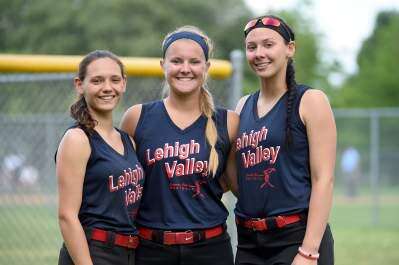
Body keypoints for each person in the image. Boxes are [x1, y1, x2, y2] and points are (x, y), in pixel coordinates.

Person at [120, 25, 239, 265]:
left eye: (194, 62)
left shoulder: (228, 122)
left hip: (210, 250)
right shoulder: (136, 118)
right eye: (176, 61)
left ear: (206, 67)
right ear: (163, 65)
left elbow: (235, 184)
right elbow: (126, 187)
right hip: (151, 249)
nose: (185, 69)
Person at [230, 15, 336, 265]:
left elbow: (324, 180)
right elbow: (239, 180)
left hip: (295, 239)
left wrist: (309, 251)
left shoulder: (311, 100)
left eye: (268, 44)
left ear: (290, 49)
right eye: (251, 47)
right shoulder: (243, 105)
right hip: (249, 241)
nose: (259, 53)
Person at [56, 50, 145, 265]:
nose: (107, 87)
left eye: (115, 80)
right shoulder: (77, 139)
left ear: (123, 83)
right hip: (93, 251)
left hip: (127, 252)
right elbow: (67, 216)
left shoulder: (127, 140)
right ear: (80, 84)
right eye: (97, 80)